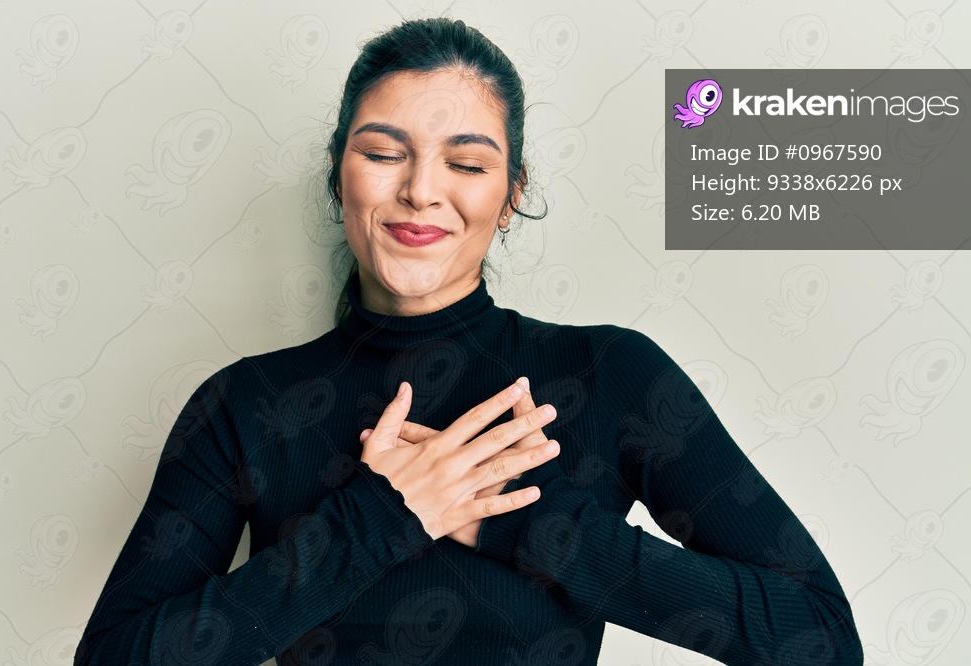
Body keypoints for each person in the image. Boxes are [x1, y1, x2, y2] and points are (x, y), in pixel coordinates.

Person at [75, 17, 862, 666]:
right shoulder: (244, 405)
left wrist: (527, 525)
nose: (420, 189)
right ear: (336, 175)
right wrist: (382, 519)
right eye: (383, 154)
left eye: (467, 162)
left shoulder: (609, 374)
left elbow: (819, 637)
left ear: (511, 195)